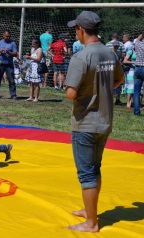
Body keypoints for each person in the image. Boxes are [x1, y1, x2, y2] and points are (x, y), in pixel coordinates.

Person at [64, 11, 125, 232]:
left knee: (86, 173)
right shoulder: (109, 53)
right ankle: (89, 210)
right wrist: (102, 91)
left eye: (75, 29)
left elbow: (71, 92)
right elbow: (119, 79)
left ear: (81, 29)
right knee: (95, 168)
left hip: (85, 122)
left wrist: (86, 92)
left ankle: (91, 223)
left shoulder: (82, 56)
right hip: (105, 121)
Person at [0, 30, 18, 99]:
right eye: (6, 36)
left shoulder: (12, 43)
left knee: (11, 80)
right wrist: (0, 51)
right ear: (3, 35)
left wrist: (8, 52)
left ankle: (13, 95)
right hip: (0, 64)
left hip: (9, 64)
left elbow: (15, 54)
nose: (8, 38)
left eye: (9, 36)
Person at [133, 33, 144, 116]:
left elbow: (137, 39)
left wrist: (142, 35)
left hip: (137, 68)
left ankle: (136, 112)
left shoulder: (138, 43)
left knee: (136, 91)